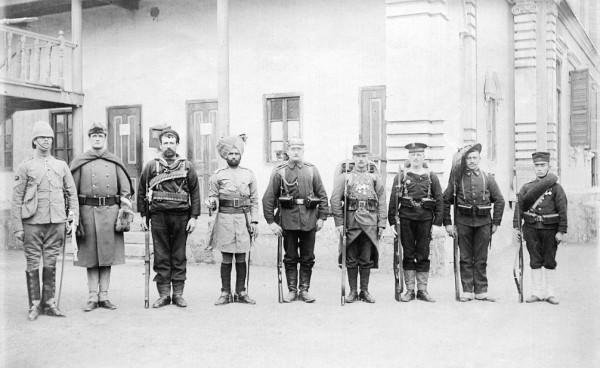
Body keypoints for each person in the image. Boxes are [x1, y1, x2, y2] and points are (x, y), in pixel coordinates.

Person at [12, 121, 79, 320]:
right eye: (42, 137)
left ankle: (49, 303)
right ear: (34, 140)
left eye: (49, 137)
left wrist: (72, 219)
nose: (46, 141)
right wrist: (17, 227)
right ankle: (34, 304)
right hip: (32, 223)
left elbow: (71, 193)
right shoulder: (25, 167)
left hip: (56, 221)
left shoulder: (61, 165)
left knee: (51, 261)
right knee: (32, 261)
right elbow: (16, 198)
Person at [70, 122, 135, 312]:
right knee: (90, 257)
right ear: (89, 139)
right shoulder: (80, 161)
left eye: (100, 136)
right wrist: (73, 216)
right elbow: (71, 191)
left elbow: (125, 192)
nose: (97, 139)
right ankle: (92, 296)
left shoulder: (114, 161)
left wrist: (124, 213)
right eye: (94, 136)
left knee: (107, 256)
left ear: (105, 138)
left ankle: (104, 296)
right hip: (87, 214)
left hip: (110, 214)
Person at [138, 129, 200, 308]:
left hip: (181, 217)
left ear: (177, 144)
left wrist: (194, 217)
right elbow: (142, 190)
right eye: (165, 142)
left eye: (172, 142)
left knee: (179, 255)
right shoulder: (151, 166)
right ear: (160, 145)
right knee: (161, 255)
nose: (168, 145)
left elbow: (195, 192)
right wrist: (143, 215)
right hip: (158, 216)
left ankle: (178, 294)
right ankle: (164, 294)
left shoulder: (186, 166)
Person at [262, 138, 329, 303]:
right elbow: (268, 198)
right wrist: (271, 222)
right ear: (288, 151)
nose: (296, 151)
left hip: (309, 219)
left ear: (303, 150)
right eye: (293, 148)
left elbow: (322, 195)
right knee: (290, 256)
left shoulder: (312, 170)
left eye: (299, 148)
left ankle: (304, 290)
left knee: (308, 257)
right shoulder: (281, 172)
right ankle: (292, 290)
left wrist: (322, 217)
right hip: (288, 220)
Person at [443, 143, 505, 302]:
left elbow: (499, 200)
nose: (471, 161)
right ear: (465, 160)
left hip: (484, 223)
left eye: (474, 157)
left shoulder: (487, 178)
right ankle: (467, 291)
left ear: (479, 158)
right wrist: (448, 224)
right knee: (465, 258)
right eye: (469, 158)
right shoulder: (457, 179)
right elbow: (445, 200)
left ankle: (481, 291)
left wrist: (496, 222)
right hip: (463, 223)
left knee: (481, 258)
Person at [330, 144, 386, 303]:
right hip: (351, 223)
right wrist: (339, 223)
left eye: (364, 156)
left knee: (366, 258)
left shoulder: (375, 178)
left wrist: (381, 224)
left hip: (369, 224)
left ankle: (365, 291)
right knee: (351, 258)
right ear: (353, 158)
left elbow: (382, 200)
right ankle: (353, 291)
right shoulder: (345, 177)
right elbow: (335, 200)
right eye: (358, 156)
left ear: (368, 158)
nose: (361, 160)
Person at [388, 143, 443, 302]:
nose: (416, 157)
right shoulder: (401, 176)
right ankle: (410, 290)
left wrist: (437, 223)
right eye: (413, 155)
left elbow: (439, 200)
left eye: (419, 154)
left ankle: (423, 290)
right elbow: (393, 200)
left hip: (425, 220)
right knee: (408, 253)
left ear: (423, 156)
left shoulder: (431, 176)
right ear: (409, 157)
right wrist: (392, 222)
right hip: (406, 219)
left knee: (423, 254)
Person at [208, 135, 258, 305]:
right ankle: (225, 292)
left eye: (237, 153)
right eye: (230, 154)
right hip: (225, 219)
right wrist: (212, 203)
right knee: (227, 256)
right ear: (225, 156)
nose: (234, 156)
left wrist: (254, 221)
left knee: (242, 256)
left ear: (240, 155)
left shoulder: (249, 174)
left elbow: (254, 200)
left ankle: (241, 292)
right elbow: (212, 196)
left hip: (244, 218)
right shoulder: (217, 175)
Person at [513, 151, 567, 305]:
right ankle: (537, 292)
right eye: (537, 166)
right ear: (534, 167)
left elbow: (563, 209)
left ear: (548, 166)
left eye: (543, 165)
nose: (540, 169)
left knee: (549, 260)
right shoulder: (526, 187)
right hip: (531, 229)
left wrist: (561, 231)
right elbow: (519, 209)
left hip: (550, 229)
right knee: (535, 260)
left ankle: (550, 293)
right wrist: (517, 227)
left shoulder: (556, 188)